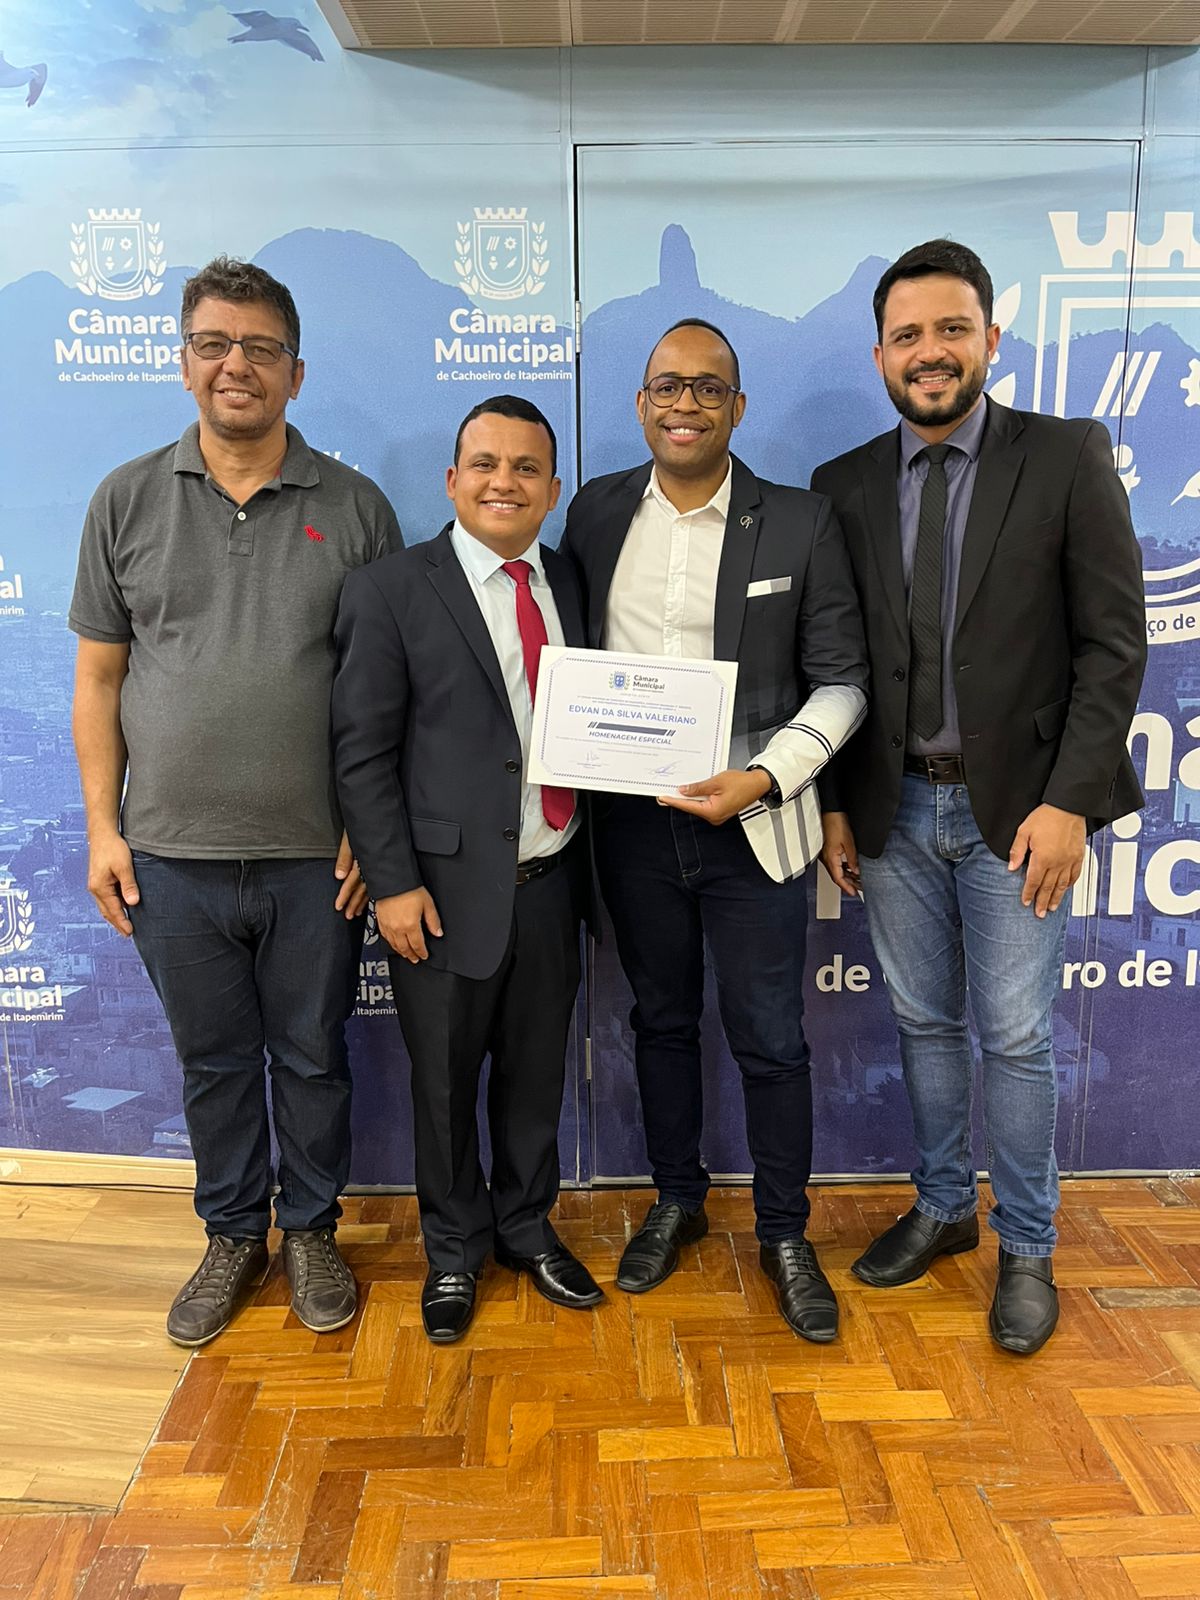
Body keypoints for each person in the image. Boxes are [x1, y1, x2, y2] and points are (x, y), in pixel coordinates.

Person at [813, 239, 1147, 1354]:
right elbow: (837, 661)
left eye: (952, 329)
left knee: (1014, 1035)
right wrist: (837, 804)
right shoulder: (843, 486)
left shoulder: (1066, 456)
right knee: (921, 1021)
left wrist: (1071, 803)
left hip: (1023, 815)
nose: (931, 351)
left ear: (992, 340)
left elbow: (1113, 648)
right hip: (893, 810)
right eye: (907, 334)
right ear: (879, 355)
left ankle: (1030, 1247)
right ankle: (945, 1206)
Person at [70, 256, 402, 1346]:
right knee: (212, 1065)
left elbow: (386, 690)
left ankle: (310, 1229)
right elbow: (100, 680)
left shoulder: (355, 508)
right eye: (214, 344)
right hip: (171, 856)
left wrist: (372, 829)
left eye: (261, 348)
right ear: (184, 363)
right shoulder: (124, 499)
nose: (236, 366)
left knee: (311, 1057)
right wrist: (104, 828)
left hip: (315, 857)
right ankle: (230, 1235)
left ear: (296, 373)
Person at [563, 320, 868, 1342]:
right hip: (632, 827)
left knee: (771, 1038)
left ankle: (784, 1233)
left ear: (738, 407)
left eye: (707, 388)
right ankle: (678, 1200)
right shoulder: (596, 510)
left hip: (756, 824)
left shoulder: (800, 522)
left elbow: (842, 683)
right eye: (667, 386)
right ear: (641, 403)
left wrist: (765, 779)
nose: (684, 404)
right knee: (660, 1022)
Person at [332, 395, 599, 1345]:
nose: (504, 483)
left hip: (553, 880)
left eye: (527, 468)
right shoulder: (391, 590)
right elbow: (361, 754)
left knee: (534, 1078)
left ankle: (526, 1228)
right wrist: (393, 882)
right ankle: (451, 1251)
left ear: (553, 490)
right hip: (437, 896)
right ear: (452, 481)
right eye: (485, 464)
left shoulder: (571, 581)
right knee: (444, 1088)